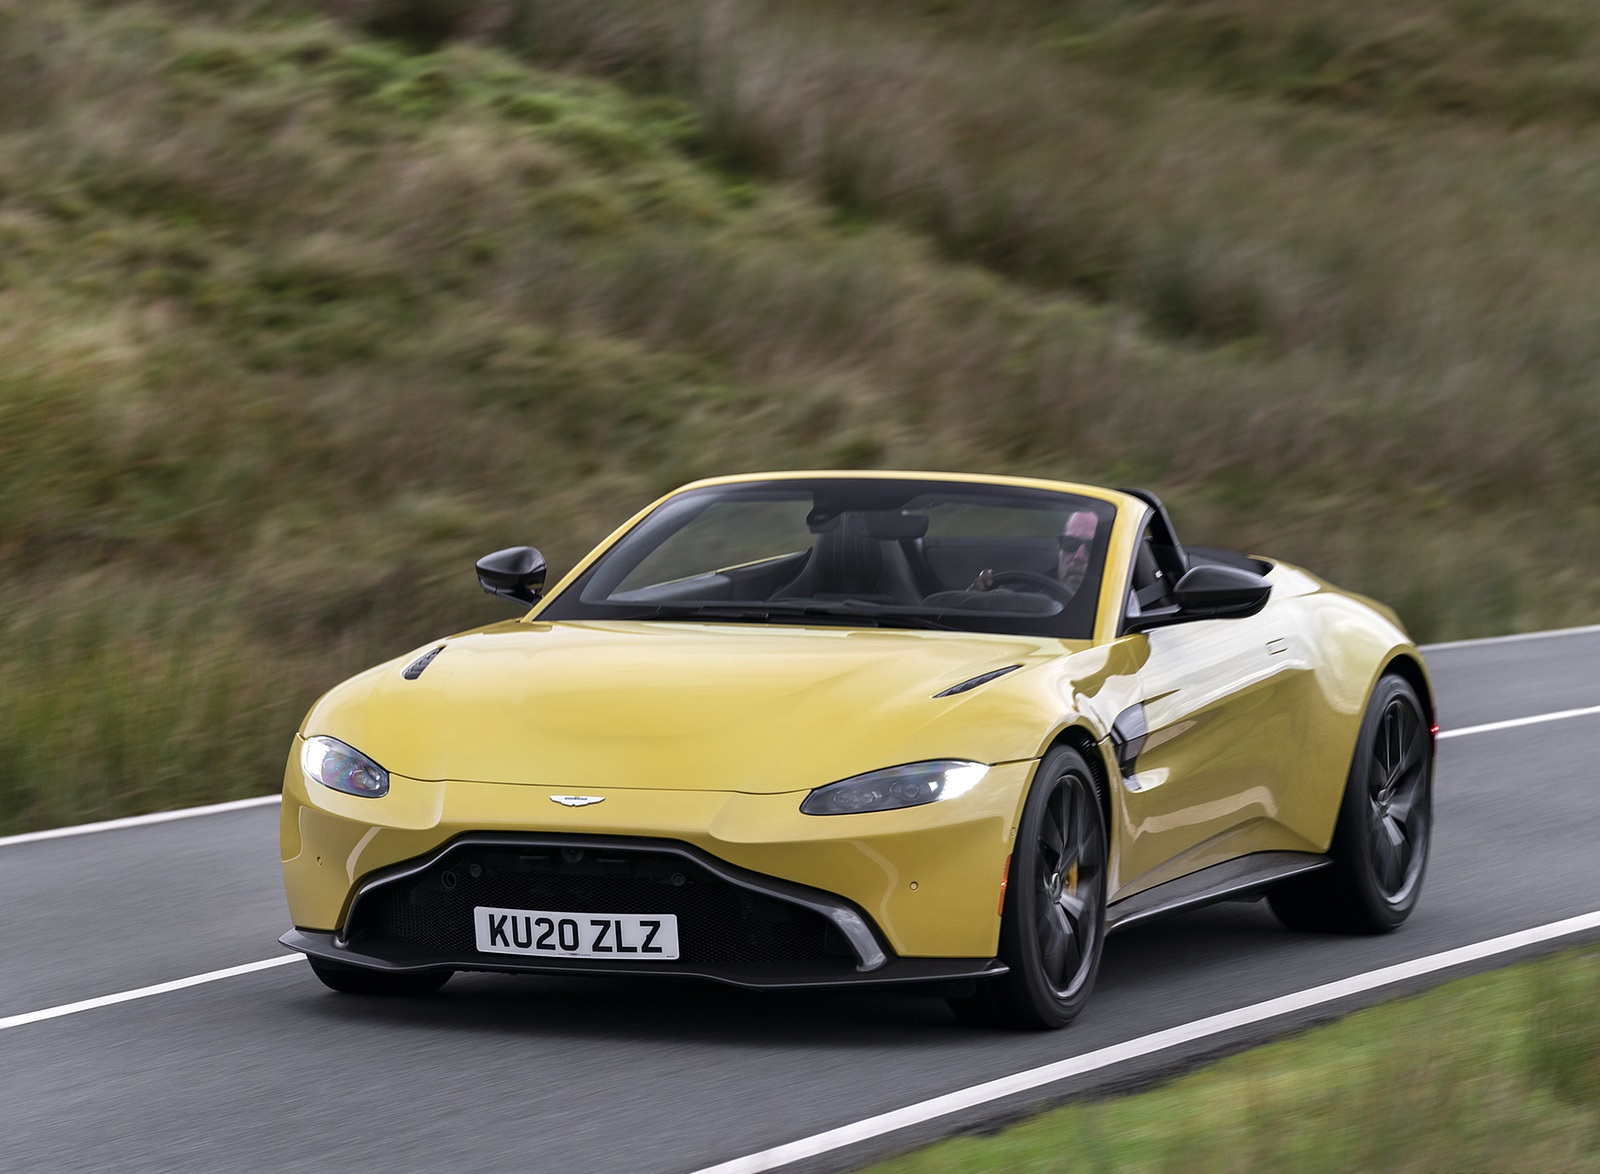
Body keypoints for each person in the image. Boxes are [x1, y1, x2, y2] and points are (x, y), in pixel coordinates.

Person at [1055, 509, 1099, 593]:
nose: (1079, 557)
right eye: (1070, 543)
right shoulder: (1038, 599)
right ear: (1059, 547)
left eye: (1093, 547)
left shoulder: (1124, 599)